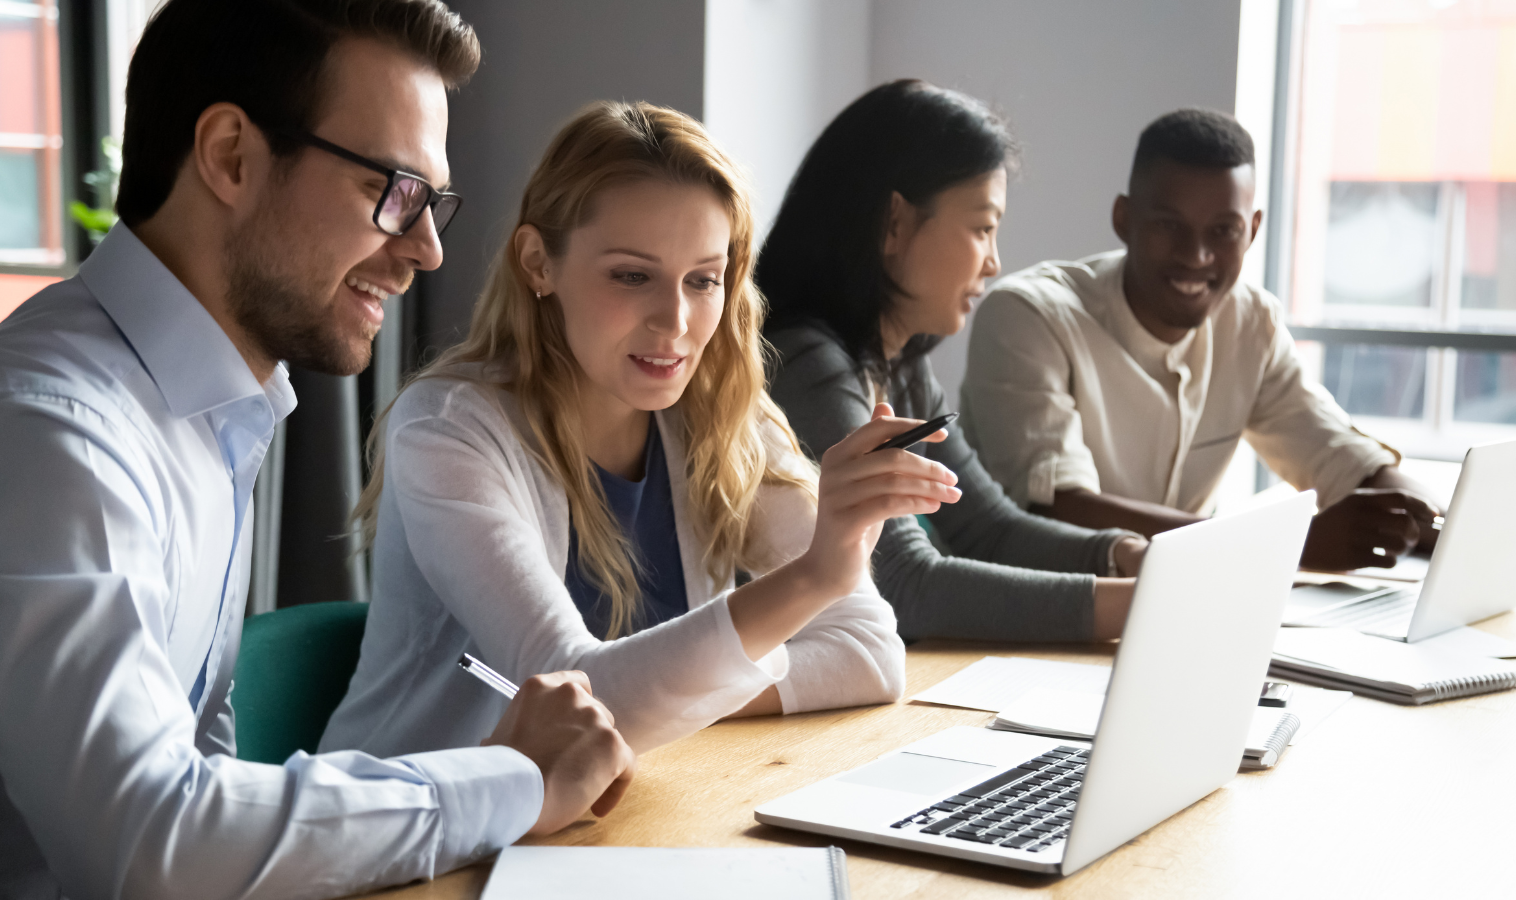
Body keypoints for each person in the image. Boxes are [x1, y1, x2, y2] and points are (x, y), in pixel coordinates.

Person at [0, 2, 635, 897]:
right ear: (231, 157)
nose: (428, 250)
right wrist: (517, 780)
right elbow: (148, 842)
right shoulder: (58, 434)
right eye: (395, 191)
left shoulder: (209, 408)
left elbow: (202, 769)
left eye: (434, 203)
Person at [318, 100, 951, 761]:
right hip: (421, 836)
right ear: (538, 262)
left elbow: (871, 653)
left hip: (607, 815)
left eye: (703, 280)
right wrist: (817, 574)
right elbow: (578, 695)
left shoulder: (721, 412)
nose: (674, 320)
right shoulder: (449, 433)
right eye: (632, 275)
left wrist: (669, 701)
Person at [959, 108, 1441, 571]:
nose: (1196, 255)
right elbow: (1059, 509)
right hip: (1039, 622)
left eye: (1224, 231)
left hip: (1185, 612)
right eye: (1170, 226)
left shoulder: (1251, 322)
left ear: (1252, 231)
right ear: (1124, 219)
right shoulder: (1029, 316)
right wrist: (1288, 545)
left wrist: (1439, 523)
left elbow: (1343, 460)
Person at [758, 80, 1145, 646]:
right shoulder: (804, 365)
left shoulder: (900, 365)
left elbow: (988, 529)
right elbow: (904, 585)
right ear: (895, 224)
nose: (993, 262)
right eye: (983, 228)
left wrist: (1118, 554)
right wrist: (1130, 608)